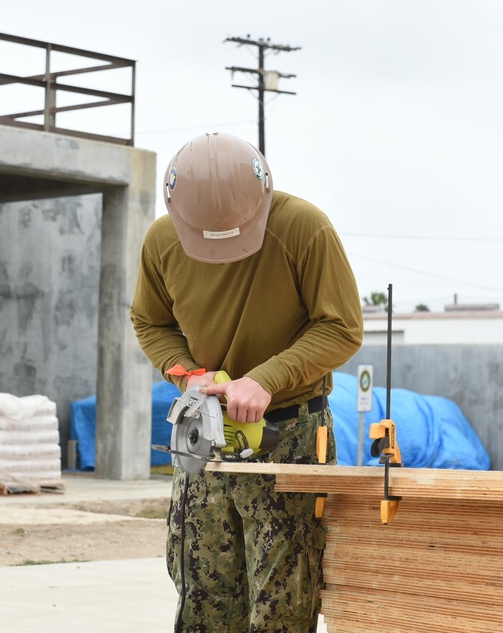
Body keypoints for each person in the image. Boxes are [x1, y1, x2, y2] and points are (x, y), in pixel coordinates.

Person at [129, 132, 363, 633]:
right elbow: (150, 323)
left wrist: (265, 381)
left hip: (290, 434)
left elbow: (341, 327)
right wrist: (188, 374)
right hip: (205, 431)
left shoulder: (304, 228)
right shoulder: (162, 241)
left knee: (284, 594)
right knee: (202, 589)